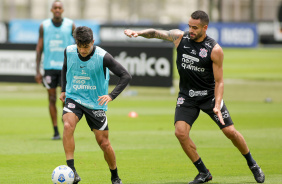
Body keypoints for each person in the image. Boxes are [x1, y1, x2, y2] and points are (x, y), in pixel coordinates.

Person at [124, 10, 265, 184]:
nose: (190, 30)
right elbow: (155, 33)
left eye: (195, 27)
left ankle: (253, 164)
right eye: (189, 26)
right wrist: (137, 33)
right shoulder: (179, 38)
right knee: (180, 133)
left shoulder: (214, 49)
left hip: (209, 97)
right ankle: (203, 172)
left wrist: (217, 103)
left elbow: (220, 81)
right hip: (187, 96)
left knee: (230, 132)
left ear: (205, 28)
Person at [60, 26, 131, 184]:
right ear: (76, 42)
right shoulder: (69, 51)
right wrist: (64, 90)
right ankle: (71, 170)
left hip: (95, 102)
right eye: (80, 46)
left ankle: (115, 176)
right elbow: (65, 68)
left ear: (92, 42)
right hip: (74, 97)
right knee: (67, 126)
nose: (83, 50)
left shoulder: (103, 56)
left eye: (86, 46)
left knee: (104, 143)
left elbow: (125, 76)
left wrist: (112, 95)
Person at [35, 0, 75, 140]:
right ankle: (56, 131)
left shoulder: (70, 25)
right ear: (51, 10)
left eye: (59, 7)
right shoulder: (44, 26)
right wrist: (37, 71)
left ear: (63, 10)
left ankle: (66, 127)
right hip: (49, 68)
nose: (57, 9)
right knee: (52, 98)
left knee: (66, 100)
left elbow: (78, 46)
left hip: (66, 68)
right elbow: (39, 48)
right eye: (55, 7)